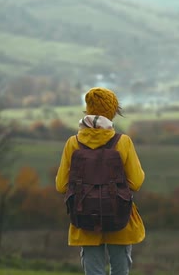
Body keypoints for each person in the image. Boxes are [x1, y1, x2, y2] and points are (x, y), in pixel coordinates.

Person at [55, 87, 145, 275]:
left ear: (88, 110)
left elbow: (61, 185)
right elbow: (136, 182)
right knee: (120, 270)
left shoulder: (73, 143)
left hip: (85, 216)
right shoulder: (123, 142)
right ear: (112, 111)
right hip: (119, 216)